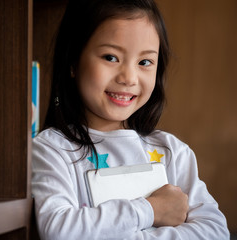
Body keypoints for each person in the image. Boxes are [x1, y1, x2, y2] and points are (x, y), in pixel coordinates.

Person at [31, 0, 230, 239]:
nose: (129, 77)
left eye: (144, 62)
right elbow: (59, 231)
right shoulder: (51, 149)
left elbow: (215, 231)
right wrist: (151, 210)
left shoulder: (173, 152)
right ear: (73, 61)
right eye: (111, 57)